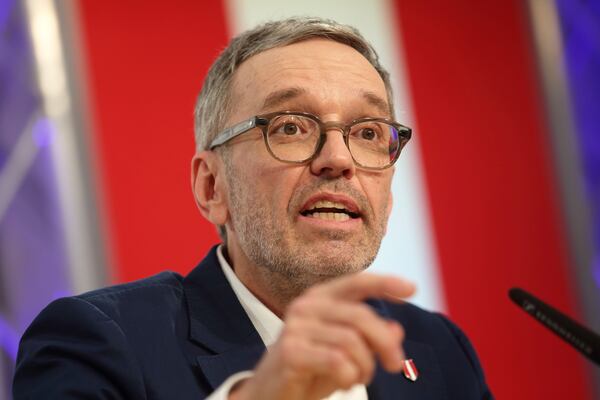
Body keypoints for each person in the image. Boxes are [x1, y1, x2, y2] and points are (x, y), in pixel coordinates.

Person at [13, 17, 493, 399]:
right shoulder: (99, 344)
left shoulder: (436, 350)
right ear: (211, 187)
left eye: (368, 132)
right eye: (289, 127)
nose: (338, 159)